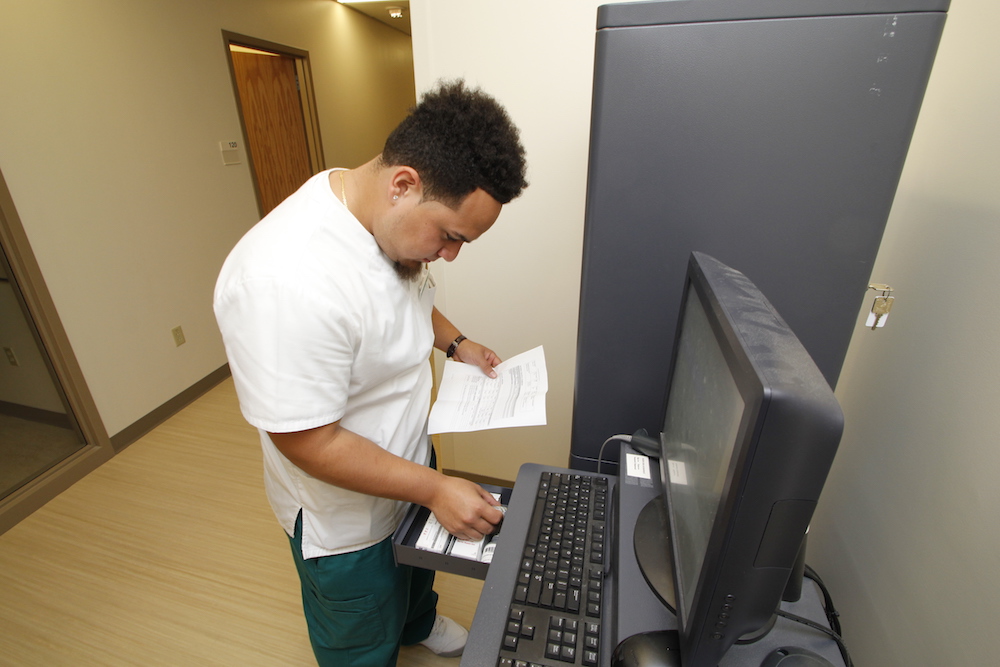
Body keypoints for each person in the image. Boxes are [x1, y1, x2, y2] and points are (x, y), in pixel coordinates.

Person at [213, 80, 528, 666]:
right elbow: (306, 440)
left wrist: (455, 342)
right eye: (451, 237)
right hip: (345, 516)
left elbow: (405, 295)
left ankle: (418, 623)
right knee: (361, 629)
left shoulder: (380, 216)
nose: (451, 255)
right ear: (403, 184)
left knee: (413, 575)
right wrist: (434, 488)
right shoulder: (283, 282)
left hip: (408, 459)